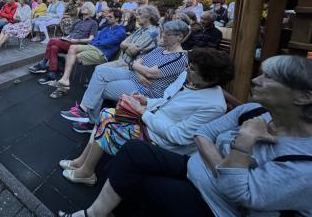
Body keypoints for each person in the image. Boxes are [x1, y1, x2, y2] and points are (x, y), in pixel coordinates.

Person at [59, 55, 312, 217]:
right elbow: (202, 134)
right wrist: (146, 102)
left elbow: (239, 192)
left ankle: (90, 180)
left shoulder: (303, 164)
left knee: (119, 138)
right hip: (191, 162)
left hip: (213, 199)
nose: (256, 80)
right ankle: (86, 175)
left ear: (303, 96)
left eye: (269, 77)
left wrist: (242, 145)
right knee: (109, 116)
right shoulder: (252, 110)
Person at [59, 48, 232, 186]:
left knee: (110, 121)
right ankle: (82, 162)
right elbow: (165, 100)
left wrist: (142, 112)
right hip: (151, 121)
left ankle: (87, 172)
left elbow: (178, 136)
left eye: (193, 69)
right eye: (189, 65)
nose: (187, 70)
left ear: (211, 78)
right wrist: (145, 101)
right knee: (107, 114)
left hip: (162, 140)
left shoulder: (214, 106)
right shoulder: (187, 78)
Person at [60, 20, 189, 132]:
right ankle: (83, 109)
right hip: (134, 75)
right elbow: (138, 62)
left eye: (168, 33)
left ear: (179, 37)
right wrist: (139, 69)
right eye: (163, 32)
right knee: (100, 71)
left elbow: (150, 73)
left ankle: (91, 122)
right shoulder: (161, 49)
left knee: (101, 88)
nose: (163, 36)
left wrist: (140, 68)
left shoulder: (179, 58)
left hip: (145, 89)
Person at [46, 9, 126, 99]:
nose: (107, 18)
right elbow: (95, 40)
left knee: (71, 56)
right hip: (94, 48)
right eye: (107, 16)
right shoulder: (106, 28)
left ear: (117, 19)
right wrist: (96, 42)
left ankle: (63, 84)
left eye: (110, 17)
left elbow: (107, 42)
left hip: (102, 53)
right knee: (72, 48)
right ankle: (65, 80)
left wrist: (96, 42)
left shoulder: (121, 31)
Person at [29, 3, 98, 84]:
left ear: (91, 11)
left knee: (52, 41)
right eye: (84, 6)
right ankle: (52, 74)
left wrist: (77, 40)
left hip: (77, 45)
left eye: (86, 8)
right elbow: (71, 34)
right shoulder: (77, 21)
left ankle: (43, 64)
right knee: (53, 47)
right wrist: (66, 38)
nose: (83, 8)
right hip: (68, 42)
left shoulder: (93, 23)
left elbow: (91, 39)